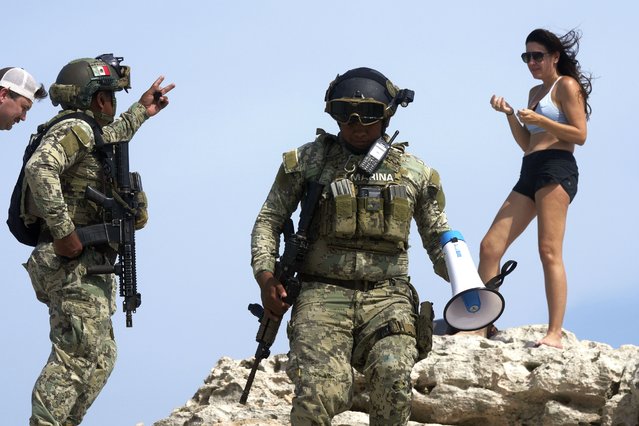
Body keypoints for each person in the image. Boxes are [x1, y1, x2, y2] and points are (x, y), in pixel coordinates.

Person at [251, 67, 453, 425]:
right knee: (319, 392)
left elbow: (439, 238)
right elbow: (269, 219)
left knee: (392, 380)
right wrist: (267, 278)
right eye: (345, 115)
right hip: (321, 295)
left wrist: (467, 280)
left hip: (388, 298)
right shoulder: (308, 162)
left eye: (369, 115)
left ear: (388, 114)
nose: (357, 124)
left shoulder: (414, 172)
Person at [22, 54, 174, 426]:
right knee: (77, 352)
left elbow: (112, 135)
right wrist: (64, 232)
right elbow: (40, 168)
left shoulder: (91, 132)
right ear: (97, 99)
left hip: (89, 264)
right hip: (70, 261)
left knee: (101, 357)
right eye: (110, 96)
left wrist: (142, 111)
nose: (113, 103)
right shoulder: (77, 128)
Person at [479, 28, 591, 349]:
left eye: (537, 56)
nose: (532, 62)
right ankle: (486, 324)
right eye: (527, 56)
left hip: (557, 167)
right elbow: (527, 142)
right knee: (490, 247)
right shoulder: (533, 93)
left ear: (555, 56)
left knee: (549, 250)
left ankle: (554, 334)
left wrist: (543, 122)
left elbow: (580, 135)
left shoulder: (566, 86)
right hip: (530, 169)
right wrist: (511, 116)